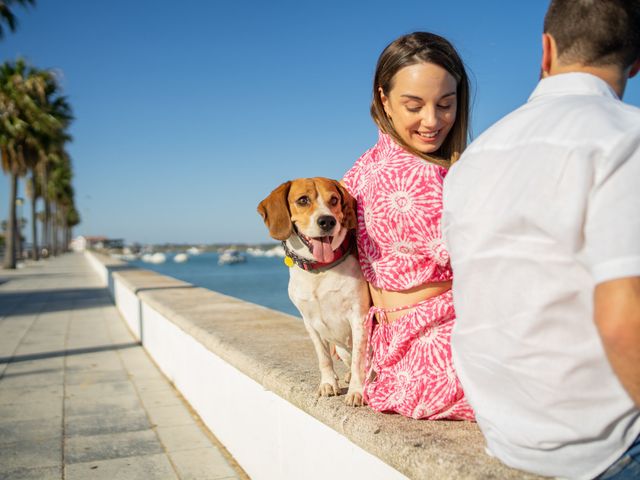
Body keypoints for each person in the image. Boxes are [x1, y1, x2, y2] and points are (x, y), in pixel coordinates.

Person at [441, 1, 640, 478]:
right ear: (636, 63)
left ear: (545, 51)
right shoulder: (625, 137)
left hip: (504, 432)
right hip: (604, 450)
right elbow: (624, 315)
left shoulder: (473, 159)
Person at [342, 32, 474, 420]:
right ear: (383, 98)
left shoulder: (458, 176)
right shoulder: (358, 175)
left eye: (446, 104)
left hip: (438, 340)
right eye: (414, 105)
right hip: (396, 349)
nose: (432, 121)